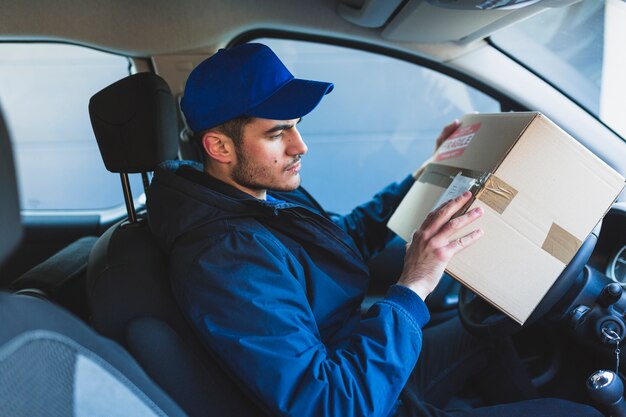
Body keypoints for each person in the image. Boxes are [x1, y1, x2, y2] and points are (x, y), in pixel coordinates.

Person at [146, 43, 602, 417]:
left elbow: (340, 240)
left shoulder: (256, 200)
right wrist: (414, 285)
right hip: (362, 393)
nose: (300, 145)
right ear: (219, 146)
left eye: (298, 126)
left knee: (490, 331)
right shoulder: (226, 256)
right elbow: (333, 405)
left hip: (366, 364)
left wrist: (429, 170)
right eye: (277, 133)